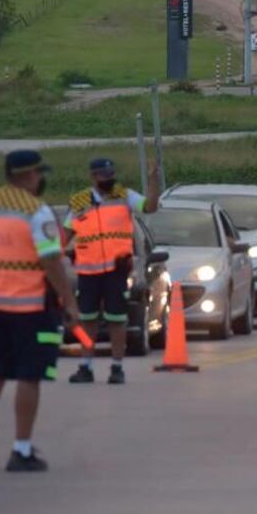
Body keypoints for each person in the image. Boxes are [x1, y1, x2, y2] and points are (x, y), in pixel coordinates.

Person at [0, 150, 80, 472]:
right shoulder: (36, 212)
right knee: (29, 377)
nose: (40, 179)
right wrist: (69, 302)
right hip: (31, 307)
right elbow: (51, 261)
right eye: (38, 174)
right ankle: (21, 450)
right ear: (28, 176)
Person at [64, 158, 159, 385]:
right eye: (103, 176)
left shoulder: (124, 196)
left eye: (110, 175)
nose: (108, 179)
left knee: (117, 320)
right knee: (87, 321)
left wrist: (153, 181)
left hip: (116, 271)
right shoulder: (79, 202)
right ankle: (85, 367)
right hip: (87, 272)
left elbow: (150, 207)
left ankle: (117, 368)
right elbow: (64, 236)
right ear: (93, 177)